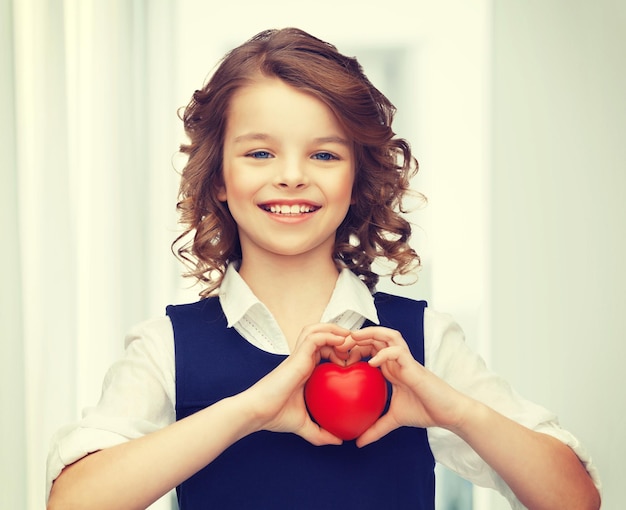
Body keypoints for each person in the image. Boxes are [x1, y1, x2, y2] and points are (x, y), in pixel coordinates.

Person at [46, 28, 601, 510]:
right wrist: (248, 411)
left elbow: (575, 499)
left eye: (325, 154)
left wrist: (454, 411)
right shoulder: (164, 348)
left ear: (357, 178)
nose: (291, 176)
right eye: (259, 153)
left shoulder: (423, 342)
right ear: (218, 177)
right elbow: (72, 502)